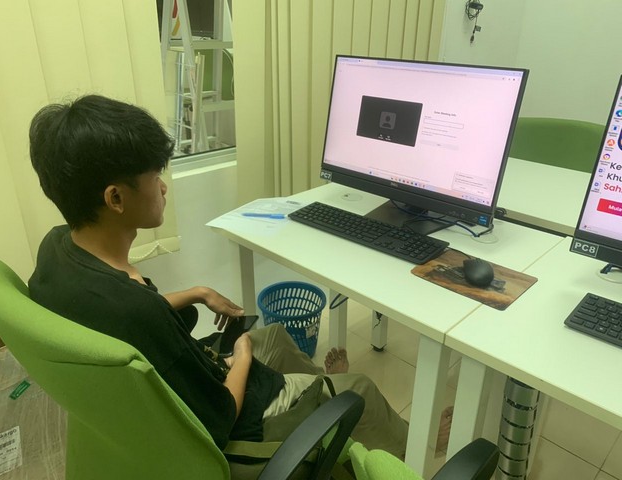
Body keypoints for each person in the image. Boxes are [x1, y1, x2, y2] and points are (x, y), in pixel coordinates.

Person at [28, 94, 449, 460]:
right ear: (116, 198)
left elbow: (131, 315)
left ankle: (321, 386)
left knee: (277, 336)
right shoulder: (135, 310)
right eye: (155, 178)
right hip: (240, 421)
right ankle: (416, 445)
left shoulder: (58, 249)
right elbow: (219, 418)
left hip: (193, 375)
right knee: (361, 389)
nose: (164, 188)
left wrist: (196, 292)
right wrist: (242, 356)